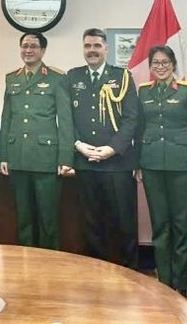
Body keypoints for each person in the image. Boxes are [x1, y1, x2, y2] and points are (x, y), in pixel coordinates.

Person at [135, 45, 187, 296]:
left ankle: (182, 283)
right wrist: (138, 164)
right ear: (151, 66)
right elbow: (138, 129)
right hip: (152, 165)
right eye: (156, 63)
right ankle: (164, 281)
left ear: (174, 65)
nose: (161, 67)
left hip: (182, 167)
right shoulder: (144, 92)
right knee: (160, 226)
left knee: (181, 225)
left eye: (165, 62)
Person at [67, 28, 140, 268]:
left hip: (116, 163)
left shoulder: (123, 77)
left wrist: (112, 148)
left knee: (123, 222)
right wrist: (78, 145)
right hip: (85, 161)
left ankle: (129, 272)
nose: (92, 51)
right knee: (91, 222)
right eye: (88, 46)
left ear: (106, 49)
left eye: (97, 46)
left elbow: (131, 119)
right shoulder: (73, 77)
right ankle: (96, 271)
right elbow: (66, 117)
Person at [0, 32, 74, 250]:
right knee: (23, 217)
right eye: (24, 46)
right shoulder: (11, 78)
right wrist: (4, 155)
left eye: (33, 46)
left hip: (46, 159)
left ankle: (49, 263)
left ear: (43, 50)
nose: (28, 50)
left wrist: (65, 157)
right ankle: (26, 263)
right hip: (18, 157)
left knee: (47, 218)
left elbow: (65, 120)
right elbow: (7, 118)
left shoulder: (57, 78)